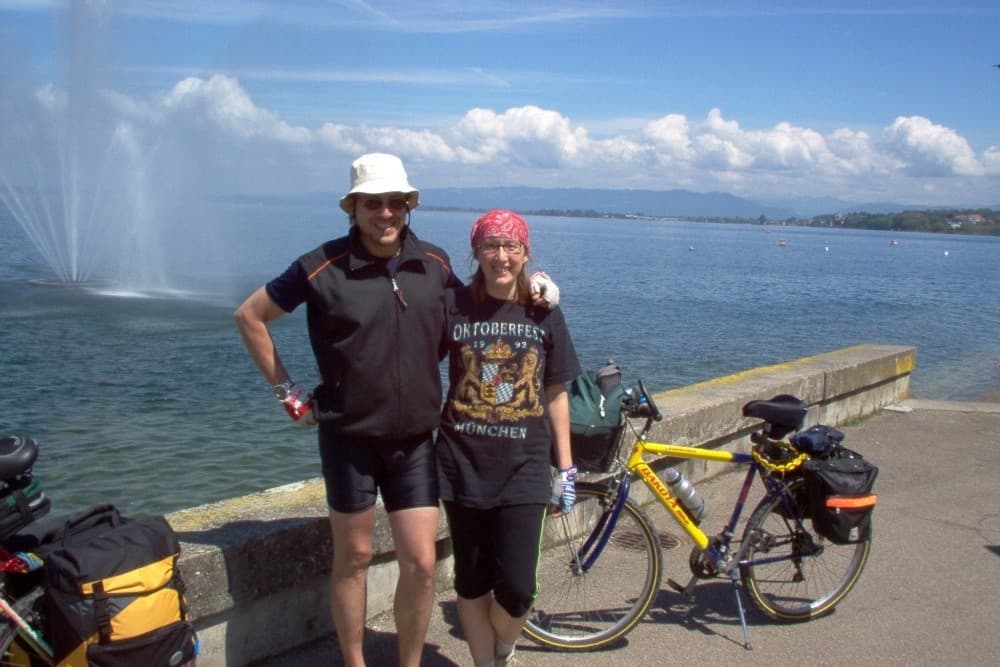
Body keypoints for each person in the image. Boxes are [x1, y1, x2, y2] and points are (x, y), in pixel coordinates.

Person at [233, 155, 559, 667]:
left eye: (394, 203)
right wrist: (288, 392)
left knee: (423, 564)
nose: (385, 213)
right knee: (355, 559)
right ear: (354, 208)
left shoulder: (434, 263)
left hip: (415, 443)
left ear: (407, 206)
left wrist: (535, 284)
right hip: (348, 440)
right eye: (372, 203)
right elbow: (250, 315)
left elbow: (485, 301)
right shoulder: (320, 266)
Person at [436, 209, 581, 667]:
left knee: (518, 590)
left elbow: (556, 392)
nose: (501, 256)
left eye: (511, 246)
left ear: (525, 252)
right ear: (476, 252)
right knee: (471, 582)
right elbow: (410, 352)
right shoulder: (453, 306)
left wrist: (567, 467)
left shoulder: (543, 311)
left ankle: (505, 644)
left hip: (525, 467)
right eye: (490, 246)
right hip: (461, 464)